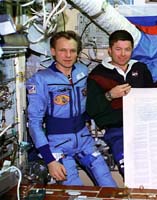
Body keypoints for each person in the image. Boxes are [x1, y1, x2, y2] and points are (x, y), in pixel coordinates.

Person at [26, 31, 117, 187]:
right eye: (62, 50)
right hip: (57, 145)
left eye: (72, 51)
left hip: (83, 139)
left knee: (109, 185)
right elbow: (34, 123)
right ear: (53, 52)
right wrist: (50, 160)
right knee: (75, 194)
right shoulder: (41, 80)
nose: (68, 55)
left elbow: (89, 103)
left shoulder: (82, 71)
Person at [86, 30, 157, 177]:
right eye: (118, 49)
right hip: (117, 131)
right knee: (131, 171)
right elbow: (91, 110)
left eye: (127, 49)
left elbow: (150, 93)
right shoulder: (97, 75)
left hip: (144, 128)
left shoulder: (140, 68)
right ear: (109, 50)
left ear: (132, 50)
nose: (122, 54)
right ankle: (138, 198)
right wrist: (109, 95)